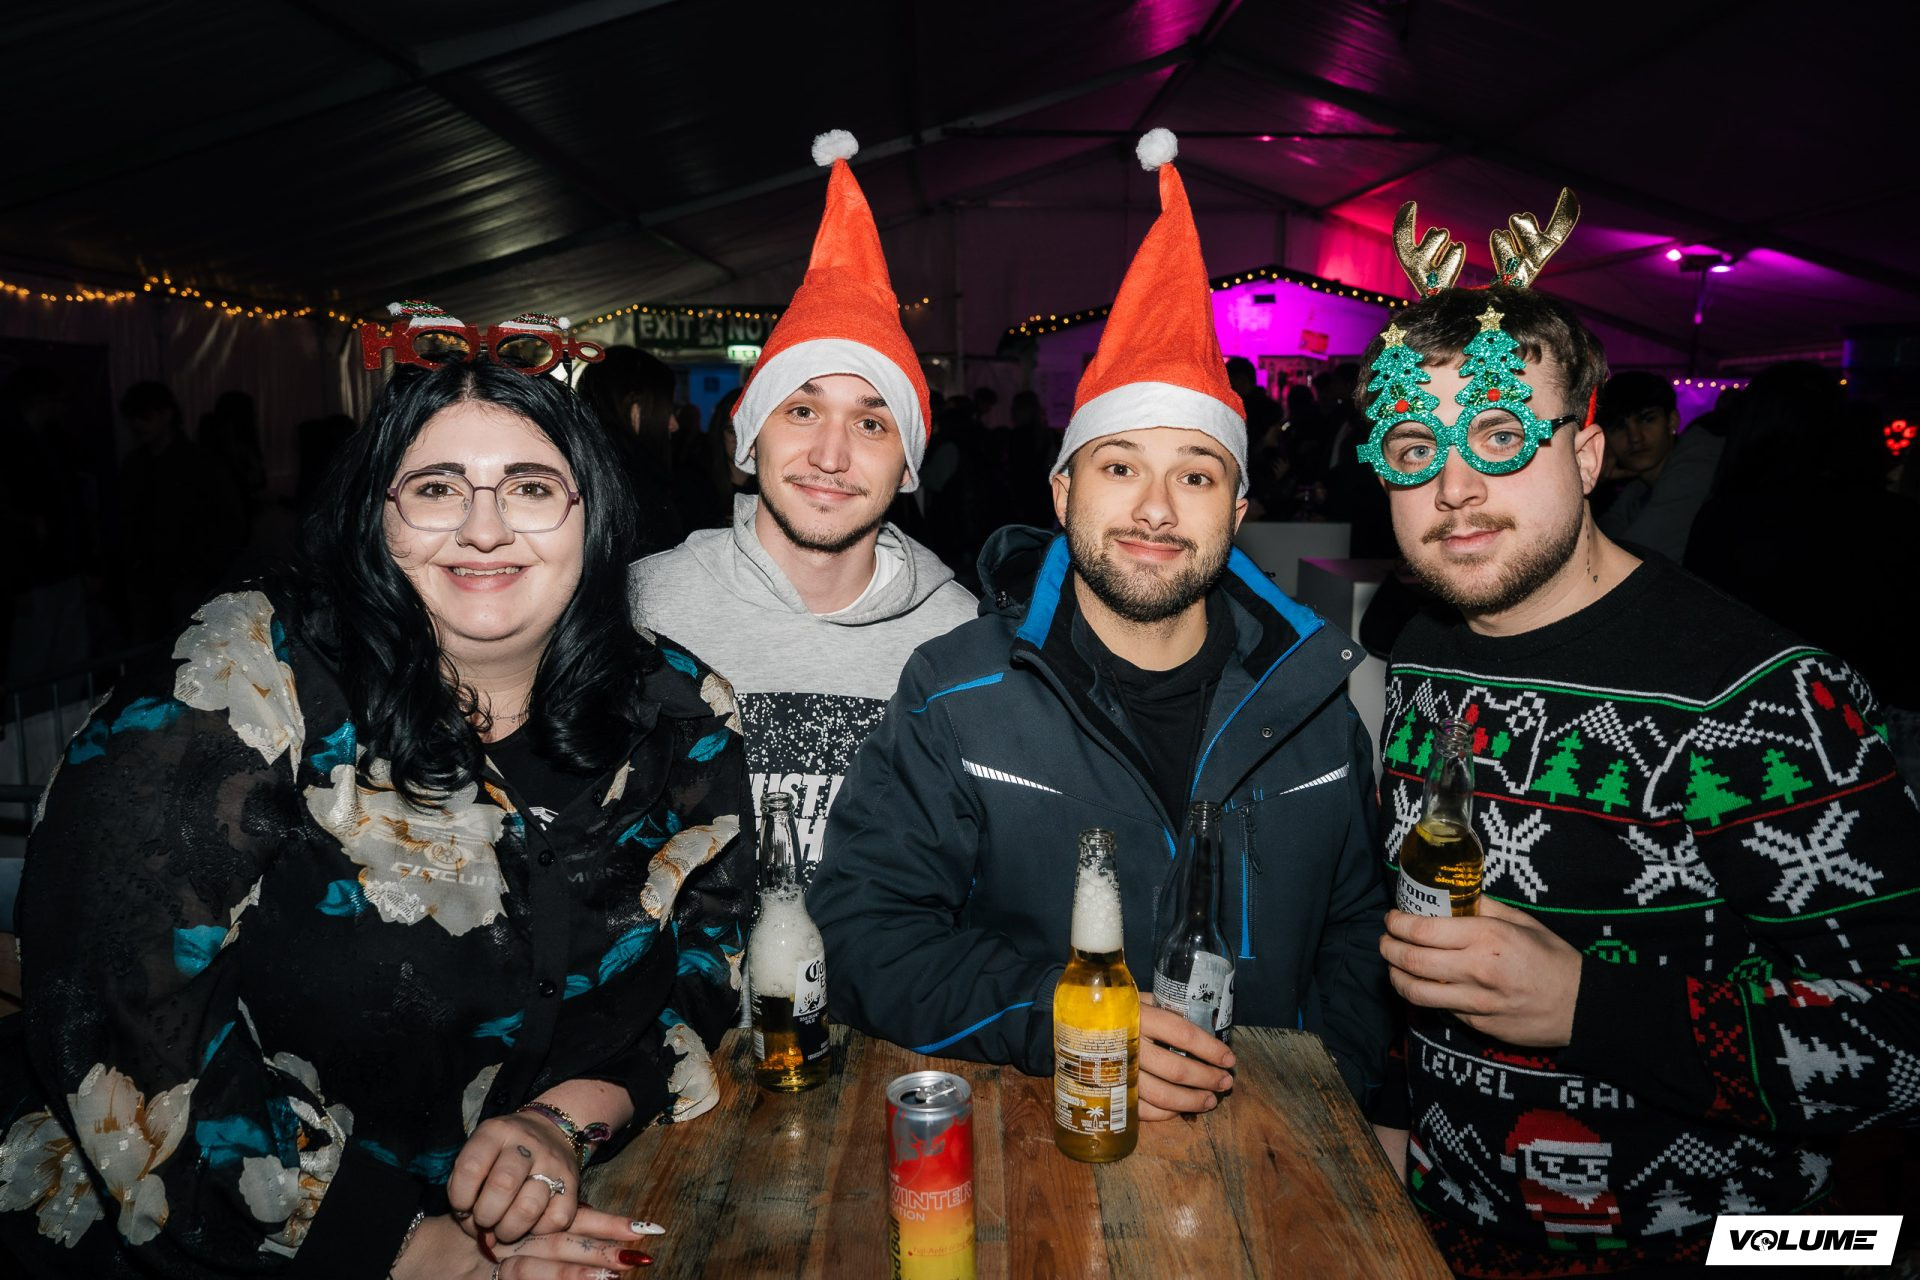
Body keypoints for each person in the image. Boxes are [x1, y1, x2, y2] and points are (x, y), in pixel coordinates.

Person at [0, 327, 753, 1278]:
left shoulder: (681, 712)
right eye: (437, 488)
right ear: (376, 515)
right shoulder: (244, 683)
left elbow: (710, 964)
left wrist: (564, 1121)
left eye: (530, 487)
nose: (485, 529)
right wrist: (409, 1247)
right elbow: (117, 1011)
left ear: (592, 513)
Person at [1356, 192, 1920, 1275]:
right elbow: (1430, 937)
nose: (1456, 488)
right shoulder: (1425, 652)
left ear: (1587, 453)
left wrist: (1589, 1004)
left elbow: (1902, 1041)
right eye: (1416, 445)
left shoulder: (1760, 696)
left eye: (1501, 435)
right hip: (1452, 1232)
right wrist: (1399, 1111)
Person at [809, 131, 1392, 1115]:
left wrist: (1342, 1105)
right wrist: (1063, 1018)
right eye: (1120, 467)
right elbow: (864, 935)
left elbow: (1359, 937)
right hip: (1041, 1148)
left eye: (1195, 476)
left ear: (1237, 511)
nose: (1155, 509)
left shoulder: (1314, 705)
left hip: (1284, 1158)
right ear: (1063, 489)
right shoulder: (958, 696)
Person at [629, 131, 975, 870]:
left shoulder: (959, 639)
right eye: (803, 410)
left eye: (872, 423)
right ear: (749, 440)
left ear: (908, 467)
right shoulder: (641, 607)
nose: (830, 455)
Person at [1592, 370, 1722, 561]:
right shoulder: (1639, 487)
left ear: (1672, 421)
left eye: (1647, 419)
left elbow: (1630, 560)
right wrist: (1594, 483)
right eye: (1618, 426)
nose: (1635, 437)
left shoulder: (1697, 462)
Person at [578, 343, 689, 559]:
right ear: (634, 409)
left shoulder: (587, 469)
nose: (674, 425)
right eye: (667, 410)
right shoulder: (634, 489)